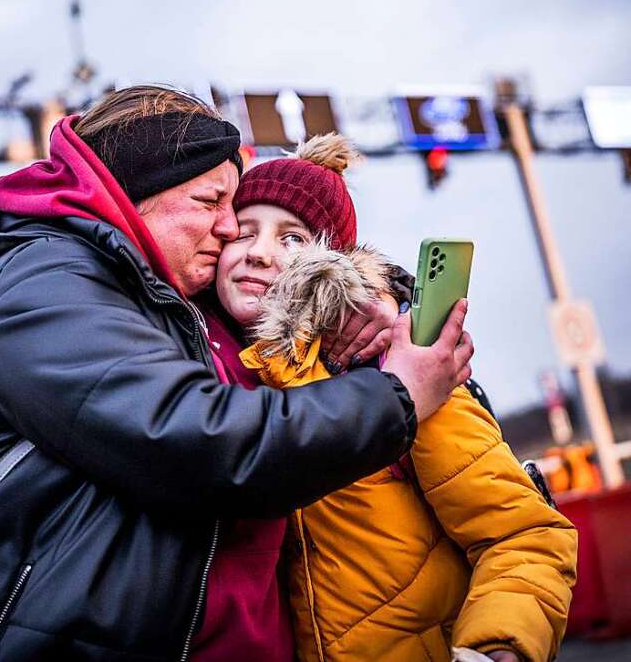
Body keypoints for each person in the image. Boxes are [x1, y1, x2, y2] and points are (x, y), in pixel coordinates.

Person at [0, 87, 474, 661]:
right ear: (132, 191)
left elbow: (282, 305)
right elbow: (203, 441)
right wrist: (398, 394)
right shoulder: (46, 286)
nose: (228, 228)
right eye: (210, 202)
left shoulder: (154, 297)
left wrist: (357, 300)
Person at [213, 133, 577, 662]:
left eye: (293, 239)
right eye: (244, 232)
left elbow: (524, 535)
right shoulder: (220, 373)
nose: (260, 253)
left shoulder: (394, 365)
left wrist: (493, 649)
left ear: (332, 264)